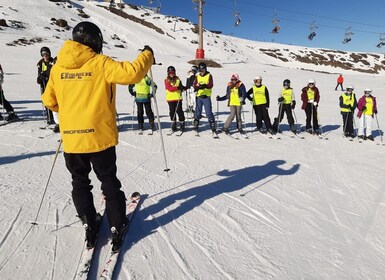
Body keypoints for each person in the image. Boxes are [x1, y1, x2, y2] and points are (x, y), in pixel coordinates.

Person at [41, 21, 154, 251]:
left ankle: (88, 222)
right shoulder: (100, 62)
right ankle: (116, 224)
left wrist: (72, 112)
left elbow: (49, 101)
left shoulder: (57, 67)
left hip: (73, 140)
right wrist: (147, 54)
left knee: (79, 182)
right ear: (95, 41)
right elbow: (132, 73)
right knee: (109, 182)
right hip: (99, 138)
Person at [193, 62, 216, 133]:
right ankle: (196, 124)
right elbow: (194, 85)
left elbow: (211, 84)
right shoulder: (197, 76)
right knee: (198, 112)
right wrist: (197, 87)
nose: (202, 72)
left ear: (206, 69)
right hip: (199, 96)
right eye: (200, 71)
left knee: (208, 112)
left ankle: (212, 125)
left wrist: (204, 86)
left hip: (206, 97)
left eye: (203, 70)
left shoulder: (209, 75)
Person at [37, 46, 56, 125]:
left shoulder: (53, 61)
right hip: (44, 84)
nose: (45, 55)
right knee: (46, 100)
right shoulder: (40, 63)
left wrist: (46, 75)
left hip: (52, 84)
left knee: (54, 101)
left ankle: (56, 118)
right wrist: (40, 78)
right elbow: (39, 74)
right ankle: (49, 116)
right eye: (43, 54)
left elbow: (54, 71)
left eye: (46, 53)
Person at [165, 66, 185, 132]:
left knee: (179, 111)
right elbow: (169, 88)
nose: (172, 74)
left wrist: (183, 88)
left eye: (173, 72)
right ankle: (174, 124)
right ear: (168, 73)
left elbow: (181, 87)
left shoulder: (178, 80)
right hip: (170, 99)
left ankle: (182, 123)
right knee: (172, 112)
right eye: (170, 72)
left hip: (178, 98)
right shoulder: (166, 80)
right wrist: (177, 88)